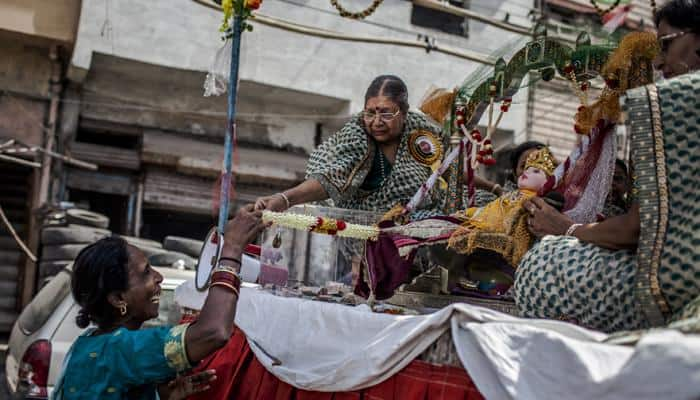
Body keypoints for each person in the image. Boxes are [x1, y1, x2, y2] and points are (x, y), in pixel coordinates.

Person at [514, 0, 700, 332]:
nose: (659, 62)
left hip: (677, 284)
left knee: (542, 263)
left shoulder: (678, 102)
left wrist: (565, 229)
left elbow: (635, 230)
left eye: (667, 45)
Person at [52, 205, 266, 399]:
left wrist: (160, 395)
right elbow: (214, 332)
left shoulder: (88, 345)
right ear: (118, 299)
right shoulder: (120, 349)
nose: (158, 277)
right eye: (145, 273)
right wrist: (231, 250)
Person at [254, 75, 445, 217]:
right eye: (370, 113)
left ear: (403, 113)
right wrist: (285, 199)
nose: (377, 122)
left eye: (386, 114)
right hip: (362, 245)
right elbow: (330, 177)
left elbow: (448, 167)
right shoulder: (356, 135)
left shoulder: (421, 130)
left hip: (418, 236)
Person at [472, 141, 545, 205]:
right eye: (524, 166)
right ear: (514, 172)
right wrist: (493, 188)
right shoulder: (491, 199)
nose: (530, 170)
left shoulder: (552, 204)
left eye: (538, 165)